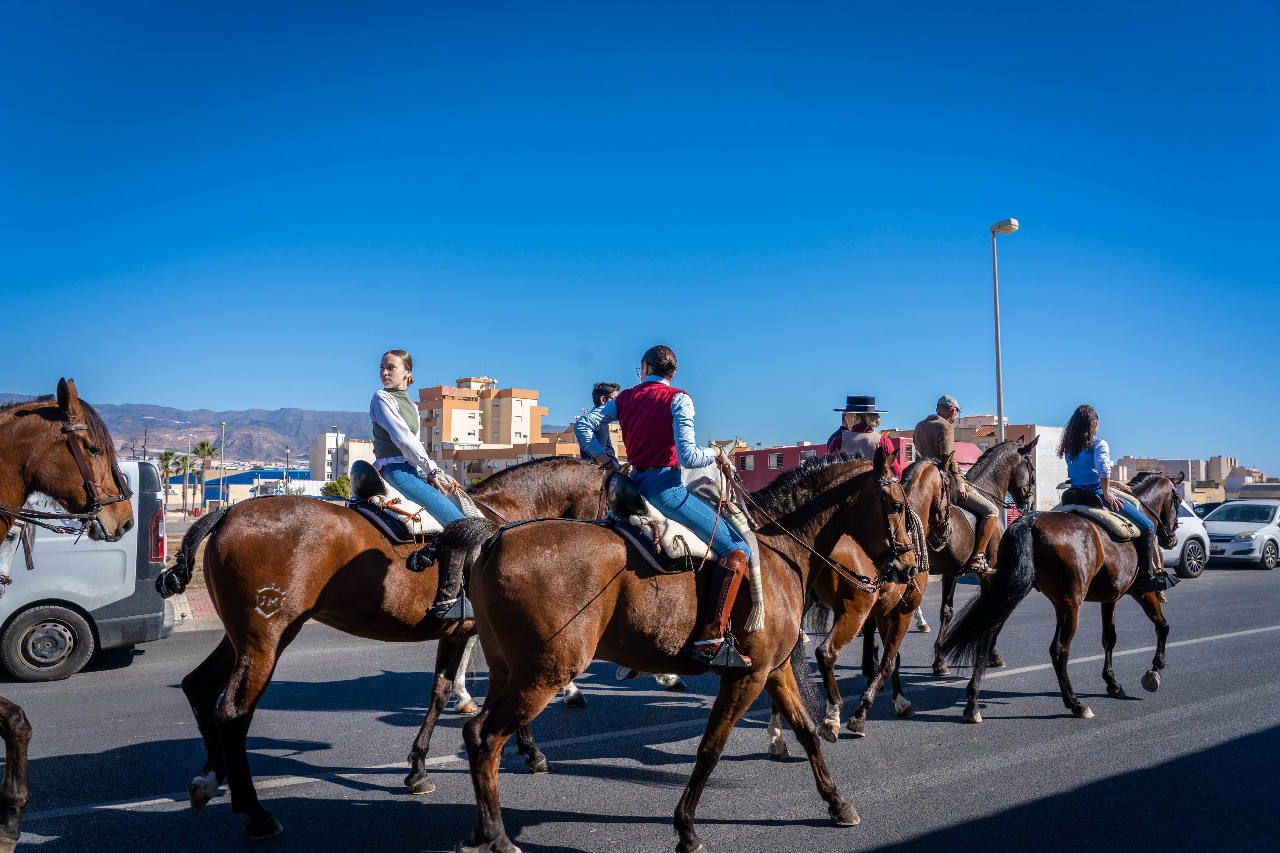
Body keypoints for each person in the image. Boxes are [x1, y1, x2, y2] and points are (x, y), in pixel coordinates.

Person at [575, 345, 753, 667]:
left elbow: (583, 425)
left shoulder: (625, 398)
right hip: (665, 491)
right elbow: (689, 457)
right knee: (738, 549)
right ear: (673, 372)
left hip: (629, 488)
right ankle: (712, 637)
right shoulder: (679, 398)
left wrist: (605, 460)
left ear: (645, 368)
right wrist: (717, 453)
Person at [369, 349, 466, 619]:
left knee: (463, 510)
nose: (384, 372)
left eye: (391, 367)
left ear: (407, 373)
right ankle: (449, 599)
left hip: (413, 469)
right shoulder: (381, 398)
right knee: (461, 525)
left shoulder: (412, 407)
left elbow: (416, 444)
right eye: (382, 367)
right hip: (395, 471)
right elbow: (403, 439)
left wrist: (434, 473)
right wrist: (433, 470)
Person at [1058, 404, 1168, 590]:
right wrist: (1107, 492)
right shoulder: (1099, 444)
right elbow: (1102, 470)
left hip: (1074, 495)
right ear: (1094, 423)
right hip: (1096, 494)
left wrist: (1115, 484)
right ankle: (1147, 577)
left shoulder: (1070, 448)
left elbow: (1085, 474)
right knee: (1148, 526)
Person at [913, 395, 999, 574]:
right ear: (952, 411)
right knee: (992, 511)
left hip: (925, 482)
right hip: (945, 483)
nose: (955, 418)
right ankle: (978, 557)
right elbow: (949, 459)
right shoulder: (945, 426)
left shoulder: (919, 426)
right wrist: (959, 482)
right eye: (956, 414)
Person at [826, 396, 903, 479]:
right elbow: (897, 473)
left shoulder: (837, 441)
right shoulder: (883, 441)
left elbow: (829, 473)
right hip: (874, 487)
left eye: (847, 414)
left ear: (854, 416)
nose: (845, 417)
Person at [576, 382, 621, 467]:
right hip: (607, 471)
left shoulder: (591, 422)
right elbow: (598, 457)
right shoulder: (600, 424)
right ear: (603, 400)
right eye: (615, 400)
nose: (618, 403)